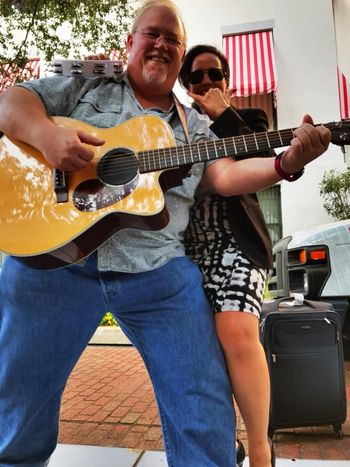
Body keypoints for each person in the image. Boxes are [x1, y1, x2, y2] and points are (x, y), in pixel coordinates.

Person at [0, 0, 331, 466]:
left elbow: (226, 177)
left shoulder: (196, 125)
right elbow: (11, 101)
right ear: (131, 43)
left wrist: (286, 163)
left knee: (204, 415)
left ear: (178, 58)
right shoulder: (85, 84)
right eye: (152, 34)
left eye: (172, 39)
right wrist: (47, 136)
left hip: (157, 273)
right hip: (53, 264)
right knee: (18, 415)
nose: (161, 44)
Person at [178, 45, 274, 466]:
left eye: (214, 74)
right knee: (202, 349)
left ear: (227, 80)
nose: (206, 82)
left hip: (238, 244)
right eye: (196, 77)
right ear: (185, 84)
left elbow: (264, 161)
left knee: (236, 333)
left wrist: (221, 114)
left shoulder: (248, 120)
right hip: (190, 250)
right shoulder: (175, 127)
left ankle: (259, 448)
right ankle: (224, 438)